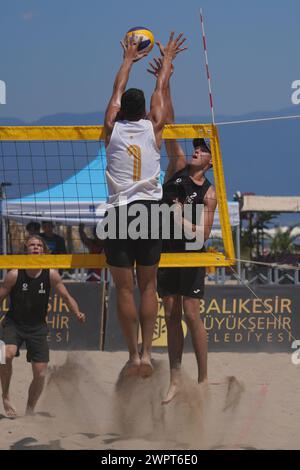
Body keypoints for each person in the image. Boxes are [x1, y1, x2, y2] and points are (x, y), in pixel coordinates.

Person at [103, 32, 187, 378]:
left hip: (120, 212)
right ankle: (150, 354)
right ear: (148, 112)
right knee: (148, 286)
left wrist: (127, 59)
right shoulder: (156, 128)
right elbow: (160, 94)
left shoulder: (111, 129)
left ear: (121, 110)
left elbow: (115, 92)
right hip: (150, 213)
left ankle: (134, 354)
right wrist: (166, 62)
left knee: (124, 288)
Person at [148, 57, 217, 403]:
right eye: (196, 147)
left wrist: (178, 217)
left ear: (210, 160)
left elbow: (202, 236)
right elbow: (169, 121)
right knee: (171, 313)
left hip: (191, 255)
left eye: (203, 149)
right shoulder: (176, 168)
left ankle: (203, 379)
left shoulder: (209, 192)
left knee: (191, 313)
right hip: (167, 254)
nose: (196, 150)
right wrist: (166, 77)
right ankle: (176, 377)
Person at [0, 235, 85, 417]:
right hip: (13, 323)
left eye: (39, 245)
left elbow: (66, 297)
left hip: (37, 327)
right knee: (5, 354)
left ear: (44, 251)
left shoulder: (51, 273)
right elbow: (1, 296)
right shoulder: (15, 273)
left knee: (40, 374)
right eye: (32, 245)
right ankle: (5, 396)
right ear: (26, 250)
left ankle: (30, 409)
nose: (36, 247)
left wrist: (77, 312)